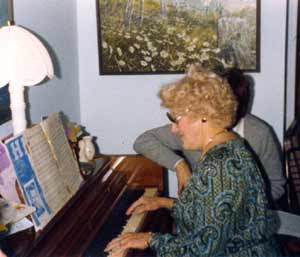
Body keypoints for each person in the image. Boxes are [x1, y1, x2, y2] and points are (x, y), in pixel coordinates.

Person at [105, 64, 281, 256]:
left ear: (203, 116)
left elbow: (203, 250)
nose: (173, 128)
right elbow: (215, 212)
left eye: (176, 118)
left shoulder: (219, 166)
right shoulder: (231, 146)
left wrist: (150, 239)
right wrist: (164, 202)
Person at [133, 68, 286, 204]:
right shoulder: (202, 132)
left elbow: (212, 221)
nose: (174, 129)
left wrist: (151, 237)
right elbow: (207, 212)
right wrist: (179, 165)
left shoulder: (256, 135)